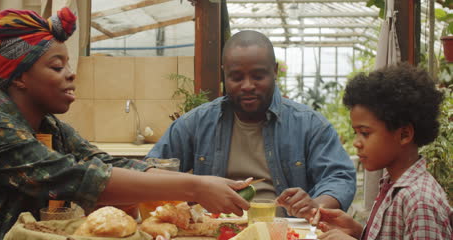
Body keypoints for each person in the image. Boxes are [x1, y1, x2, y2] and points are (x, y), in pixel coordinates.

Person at [0, 8, 250, 240]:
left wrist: (201, 182)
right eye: (57, 67)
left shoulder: (52, 129)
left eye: (67, 64)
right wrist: (195, 188)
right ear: (19, 78)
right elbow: (81, 179)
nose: (70, 73)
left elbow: (109, 164)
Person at [147, 30, 356, 218]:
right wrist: (191, 191)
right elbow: (150, 170)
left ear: (274, 71)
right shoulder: (195, 123)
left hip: (285, 233)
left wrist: (315, 204)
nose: (247, 86)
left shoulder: (309, 125)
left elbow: (339, 177)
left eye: (258, 76)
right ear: (224, 74)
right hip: (212, 236)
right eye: (236, 77)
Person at [315, 63, 452, 240]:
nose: (356, 142)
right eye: (356, 133)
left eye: (365, 133)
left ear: (404, 134)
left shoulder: (420, 200)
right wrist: (358, 233)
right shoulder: (392, 184)